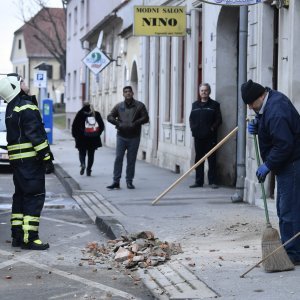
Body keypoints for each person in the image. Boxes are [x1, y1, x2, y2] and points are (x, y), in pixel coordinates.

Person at [242, 79, 300, 265]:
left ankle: (293, 253)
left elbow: (284, 145)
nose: (251, 108)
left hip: (291, 163)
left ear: (260, 96)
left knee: (288, 210)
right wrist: (259, 125)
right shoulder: (270, 102)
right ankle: (291, 245)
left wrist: (267, 165)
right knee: (286, 207)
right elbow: (274, 129)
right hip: (287, 163)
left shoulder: (276, 111)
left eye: (252, 103)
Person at [0, 73, 54, 250]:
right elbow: (36, 135)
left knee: (21, 197)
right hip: (30, 162)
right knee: (34, 197)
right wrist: (46, 157)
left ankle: (17, 236)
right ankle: (30, 238)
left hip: (18, 162)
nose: (25, 82)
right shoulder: (26, 106)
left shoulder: (11, 108)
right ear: (15, 87)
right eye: (21, 81)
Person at [106, 86, 149, 189]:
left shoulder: (139, 106)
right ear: (123, 94)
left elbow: (146, 118)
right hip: (121, 136)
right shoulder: (119, 106)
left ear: (132, 93)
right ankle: (116, 181)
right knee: (118, 158)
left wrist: (136, 123)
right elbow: (110, 116)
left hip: (134, 137)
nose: (128, 93)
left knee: (131, 160)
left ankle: (129, 181)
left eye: (129, 91)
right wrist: (118, 123)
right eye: (125, 92)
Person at [189, 83, 222, 189]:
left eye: (206, 90)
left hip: (210, 137)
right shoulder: (195, 105)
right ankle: (198, 181)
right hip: (198, 137)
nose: (204, 92)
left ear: (209, 92)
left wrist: (211, 129)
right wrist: (193, 129)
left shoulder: (215, 105)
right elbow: (191, 119)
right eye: (202, 90)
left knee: (211, 159)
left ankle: (212, 181)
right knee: (198, 159)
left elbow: (219, 120)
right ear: (199, 92)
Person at [72, 102, 104, 176]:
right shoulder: (96, 114)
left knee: (82, 152)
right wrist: (97, 134)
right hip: (93, 138)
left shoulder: (80, 114)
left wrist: (75, 136)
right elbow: (101, 126)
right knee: (91, 154)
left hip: (81, 137)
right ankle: (89, 170)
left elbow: (74, 126)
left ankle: (83, 164)